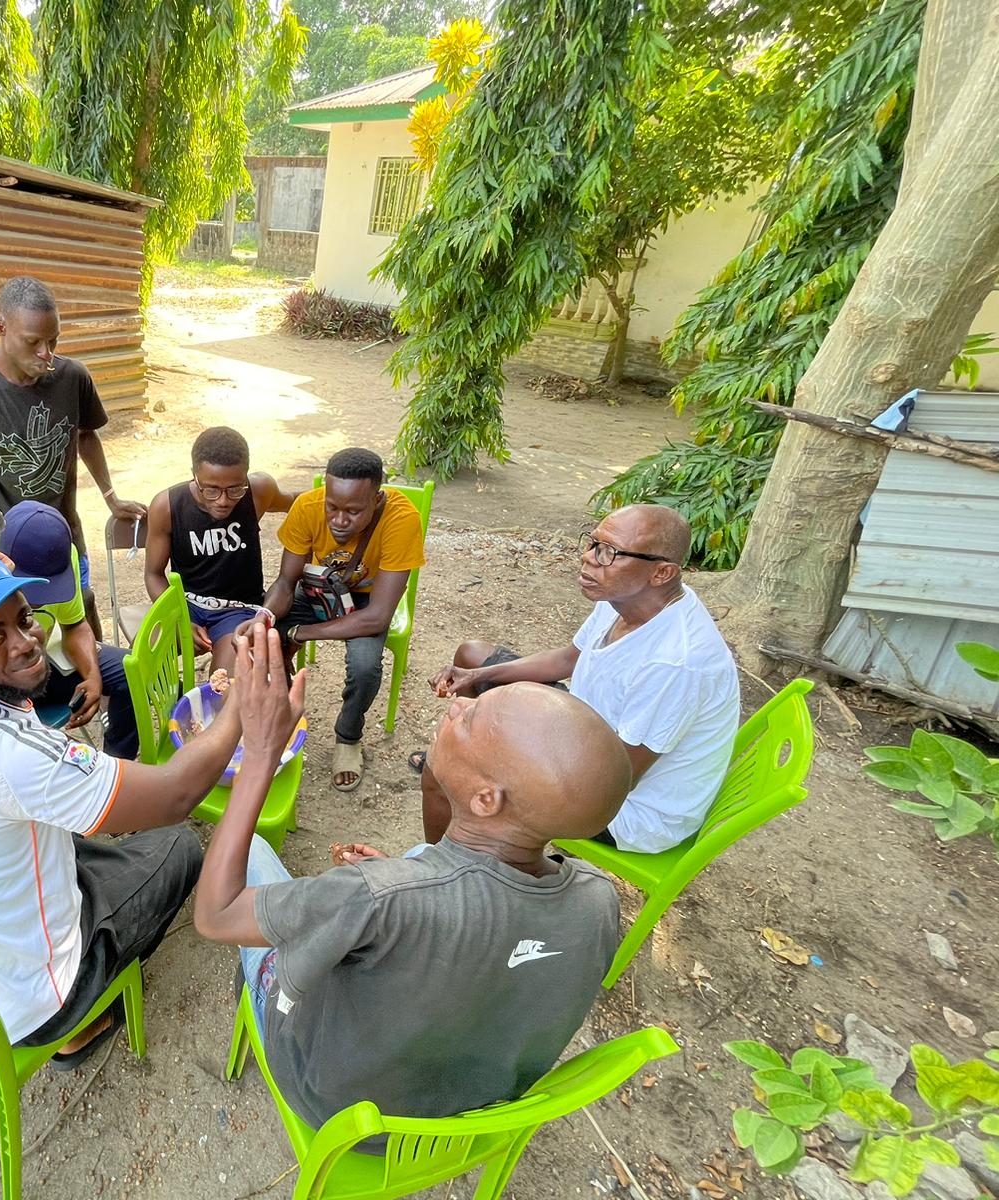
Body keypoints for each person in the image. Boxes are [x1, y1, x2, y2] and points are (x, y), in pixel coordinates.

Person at [192, 625, 632, 1141]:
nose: (457, 705)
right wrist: (408, 879)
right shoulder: (599, 899)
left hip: (340, 1109)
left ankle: (256, 989)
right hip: (469, 1111)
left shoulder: (379, 897)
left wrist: (261, 755)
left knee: (250, 851)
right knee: (423, 859)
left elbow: (216, 915)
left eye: (471, 719)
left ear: (486, 799)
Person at [0, 548, 274, 1065]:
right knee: (180, 845)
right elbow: (177, 796)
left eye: (24, 618)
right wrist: (240, 705)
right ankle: (75, 1022)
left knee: (81, 836)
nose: (26, 643)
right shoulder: (11, 756)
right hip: (19, 1004)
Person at [420, 504, 739, 854]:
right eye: (592, 543)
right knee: (473, 655)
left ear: (662, 573)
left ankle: (441, 867)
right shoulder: (626, 597)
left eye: (609, 552)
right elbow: (567, 659)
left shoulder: (677, 663)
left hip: (625, 809)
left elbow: (613, 783)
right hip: (584, 731)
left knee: (443, 772)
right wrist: (476, 675)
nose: (588, 558)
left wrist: (491, 763)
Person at [0, 276, 146, 639]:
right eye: (33, 342)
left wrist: (110, 496)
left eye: (53, 341)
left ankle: (97, 668)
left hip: (67, 531)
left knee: (81, 605)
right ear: (0, 327)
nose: (45, 354)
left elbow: (86, 434)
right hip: (15, 541)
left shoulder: (72, 378)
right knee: (24, 622)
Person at [263, 448, 425, 791]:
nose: (339, 520)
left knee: (365, 667)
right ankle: (279, 712)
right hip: (321, 588)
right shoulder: (307, 507)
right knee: (266, 638)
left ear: (376, 500)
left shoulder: (401, 519)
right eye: (332, 507)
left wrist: (300, 632)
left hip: (370, 600)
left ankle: (348, 737)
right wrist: (263, 617)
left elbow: (377, 617)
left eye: (353, 511)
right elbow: (286, 583)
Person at [143, 427, 297, 673]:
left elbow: (298, 503)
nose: (223, 500)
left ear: (246, 475)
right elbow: (153, 574)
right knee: (143, 666)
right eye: (211, 489)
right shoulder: (167, 506)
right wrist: (179, 618)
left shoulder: (258, 491)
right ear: (194, 476)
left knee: (226, 681)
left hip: (238, 610)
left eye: (235, 489)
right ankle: (180, 697)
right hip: (185, 604)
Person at [0, 500, 137, 758]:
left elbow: (75, 625)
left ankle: (116, 764)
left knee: (132, 672)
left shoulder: (60, 554)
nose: (41, 600)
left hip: (43, 662)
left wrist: (92, 676)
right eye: (31, 587)